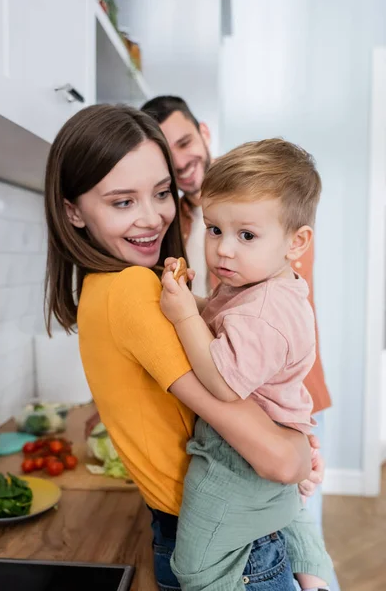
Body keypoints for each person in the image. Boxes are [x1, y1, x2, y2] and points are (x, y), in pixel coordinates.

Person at [44, 104, 319, 591]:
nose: (152, 217)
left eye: (161, 193)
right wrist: (298, 450)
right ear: (72, 211)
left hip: (216, 521)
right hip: (232, 541)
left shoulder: (104, 288)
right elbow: (278, 459)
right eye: (122, 201)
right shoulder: (131, 290)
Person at [142, 96, 338, 590]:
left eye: (244, 235)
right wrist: (197, 301)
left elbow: (225, 383)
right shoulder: (245, 254)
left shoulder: (269, 285)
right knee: (291, 512)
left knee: (195, 563)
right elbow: (227, 317)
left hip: (250, 441)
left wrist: (185, 311)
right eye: (214, 230)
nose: (223, 249)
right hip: (273, 422)